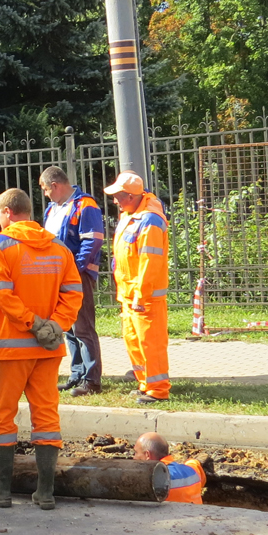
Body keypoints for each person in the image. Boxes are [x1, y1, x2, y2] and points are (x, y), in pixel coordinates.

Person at [0, 188, 82, 510]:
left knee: (2, 417)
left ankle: (0, 490)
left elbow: (2, 295)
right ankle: (45, 493)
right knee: (47, 415)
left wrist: (33, 323)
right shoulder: (58, 247)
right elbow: (74, 293)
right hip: (48, 350)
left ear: (7, 212)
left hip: (10, 349)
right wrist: (56, 325)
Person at [104, 171, 171, 404]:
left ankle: (158, 389)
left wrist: (140, 295)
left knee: (150, 342)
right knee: (133, 340)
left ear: (130, 196)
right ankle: (145, 383)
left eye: (117, 196)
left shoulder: (150, 220)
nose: (114, 200)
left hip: (144, 296)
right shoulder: (131, 215)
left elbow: (150, 262)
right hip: (129, 294)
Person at [38, 166, 105, 397]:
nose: (46, 194)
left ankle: (92, 380)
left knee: (83, 327)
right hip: (58, 276)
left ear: (55, 185)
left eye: (46, 189)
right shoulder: (52, 209)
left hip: (78, 275)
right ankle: (76, 374)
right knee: (68, 326)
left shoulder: (85, 205)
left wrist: (73, 270)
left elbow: (93, 241)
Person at [133, 432, 206, 504]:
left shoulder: (149, 479)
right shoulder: (193, 471)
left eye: (135, 452)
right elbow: (194, 463)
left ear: (147, 455)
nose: (134, 458)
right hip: (197, 514)